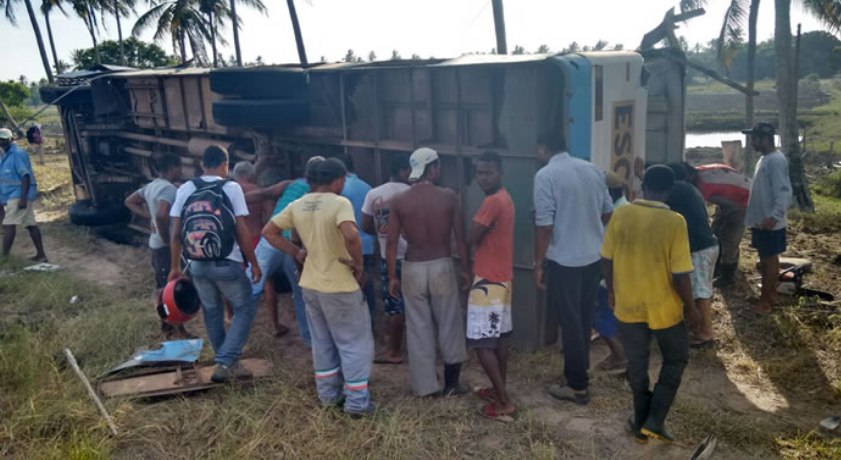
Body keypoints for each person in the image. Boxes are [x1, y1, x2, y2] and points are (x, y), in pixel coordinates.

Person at [262, 158, 375, 418]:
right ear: (336, 180)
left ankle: (328, 396)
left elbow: (269, 231)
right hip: (341, 286)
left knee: (322, 342)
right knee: (354, 343)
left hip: (310, 286)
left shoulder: (297, 204)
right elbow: (350, 235)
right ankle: (357, 403)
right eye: (342, 181)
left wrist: (297, 252)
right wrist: (358, 265)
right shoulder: (339, 203)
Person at [601, 165, 695, 443]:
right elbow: (681, 275)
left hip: (628, 304)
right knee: (676, 358)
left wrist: (612, 290)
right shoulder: (675, 222)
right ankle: (654, 420)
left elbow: (606, 258)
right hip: (663, 308)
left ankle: (640, 418)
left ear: (644, 187)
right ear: (669, 190)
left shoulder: (622, 214)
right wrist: (691, 308)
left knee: (638, 364)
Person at [168, 145, 262, 383]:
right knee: (244, 309)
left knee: (212, 312)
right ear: (225, 164)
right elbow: (241, 229)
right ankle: (225, 361)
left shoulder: (186, 189)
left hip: (196, 262)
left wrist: (174, 267)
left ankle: (228, 363)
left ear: (202, 164)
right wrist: (254, 263)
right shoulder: (230, 188)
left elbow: (176, 231)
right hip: (225, 261)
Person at [533, 131, 612, 405]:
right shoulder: (592, 170)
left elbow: (544, 226)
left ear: (543, 148)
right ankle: (580, 373)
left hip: (564, 261)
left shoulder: (545, 176)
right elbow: (607, 213)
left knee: (571, 323)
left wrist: (538, 263)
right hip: (593, 257)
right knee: (583, 317)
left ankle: (577, 386)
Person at [387, 147, 471, 397]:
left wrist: (393, 275)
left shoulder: (399, 201)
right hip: (442, 265)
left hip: (412, 267)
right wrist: (465, 269)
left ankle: (426, 387)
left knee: (418, 328)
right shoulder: (448, 197)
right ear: (433, 169)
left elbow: (392, 242)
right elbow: (460, 237)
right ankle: (452, 384)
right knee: (449, 323)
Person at [246, 156, 323, 344]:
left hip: (271, 239)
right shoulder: (320, 192)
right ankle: (308, 338)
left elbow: (264, 193)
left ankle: (239, 329)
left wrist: (232, 200)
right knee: (300, 291)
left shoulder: (291, 183)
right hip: (292, 244)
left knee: (251, 285)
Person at [465, 151, 516, 420]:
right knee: (499, 340)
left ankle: (504, 402)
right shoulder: (504, 197)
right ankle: (499, 391)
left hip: (487, 280)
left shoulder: (492, 202)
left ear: (500, 172)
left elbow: (471, 236)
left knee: (482, 341)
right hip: (502, 278)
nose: (483, 177)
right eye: (480, 172)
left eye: (489, 172)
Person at [124, 153, 192, 338]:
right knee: (172, 288)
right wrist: (167, 239)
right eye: (180, 167)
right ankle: (179, 329)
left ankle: (166, 326)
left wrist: (148, 217)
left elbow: (129, 201)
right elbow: (162, 215)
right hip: (164, 247)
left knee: (162, 287)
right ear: (173, 167)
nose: (181, 171)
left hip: (156, 246)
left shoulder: (151, 186)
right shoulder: (169, 189)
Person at [362, 154, 411, 365]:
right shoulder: (412, 193)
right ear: (403, 171)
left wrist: (383, 234)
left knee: (394, 305)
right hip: (414, 256)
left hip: (389, 257)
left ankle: (394, 351)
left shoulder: (374, 194)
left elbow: (364, 225)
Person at [742, 122, 793, 315]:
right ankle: (770, 296)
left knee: (769, 260)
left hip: (770, 221)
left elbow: (784, 191)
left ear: (765, 139)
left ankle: (765, 303)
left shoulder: (776, 160)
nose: (752, 143)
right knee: (765, 259)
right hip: (762, 219)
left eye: (754, 139)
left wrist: (774, 216)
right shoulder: (765, 159)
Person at [667, 163, 719, 349]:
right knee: (699, 289)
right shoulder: (689, 189)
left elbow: (655, 193)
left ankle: (705, 334)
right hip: (705, 246)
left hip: (700, 249)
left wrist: (640, 174)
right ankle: (698, 327)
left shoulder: (679, 189)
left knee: (699, 291)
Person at [683, 162, 751, 287]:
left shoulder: (703, 184)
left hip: (743, 200)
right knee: (716, 231)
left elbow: (698, 211)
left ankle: (728, 275)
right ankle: (719, 267)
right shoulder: (699, 171)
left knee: (730, 238)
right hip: (729, 196)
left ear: (688, 176)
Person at [334, 154, 377, 324]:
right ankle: (371, 319)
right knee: (367, 282)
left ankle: (356, 321)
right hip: (368, 243)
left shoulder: (341, 189)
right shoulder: (366, 186)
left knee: (351, 284)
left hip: (350, 244)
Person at [593, 173, 628, 374]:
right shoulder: (628, 208)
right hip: (628, 275)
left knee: (597, 315)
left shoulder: (615, 214)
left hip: (613, 277)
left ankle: (619, 356)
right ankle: (619, 354)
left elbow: (607, 254)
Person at [0, 128, 47, 262]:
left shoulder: (18, 154)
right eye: (0, 139)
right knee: (30, 224)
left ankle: (4, 258)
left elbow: (25, 176)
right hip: (11, 194)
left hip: (19, 193)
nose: (2, 141)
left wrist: (23, 198)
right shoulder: (4, 155)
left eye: (4, 139)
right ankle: (41, 255)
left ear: (11, 139)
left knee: (9, 224)